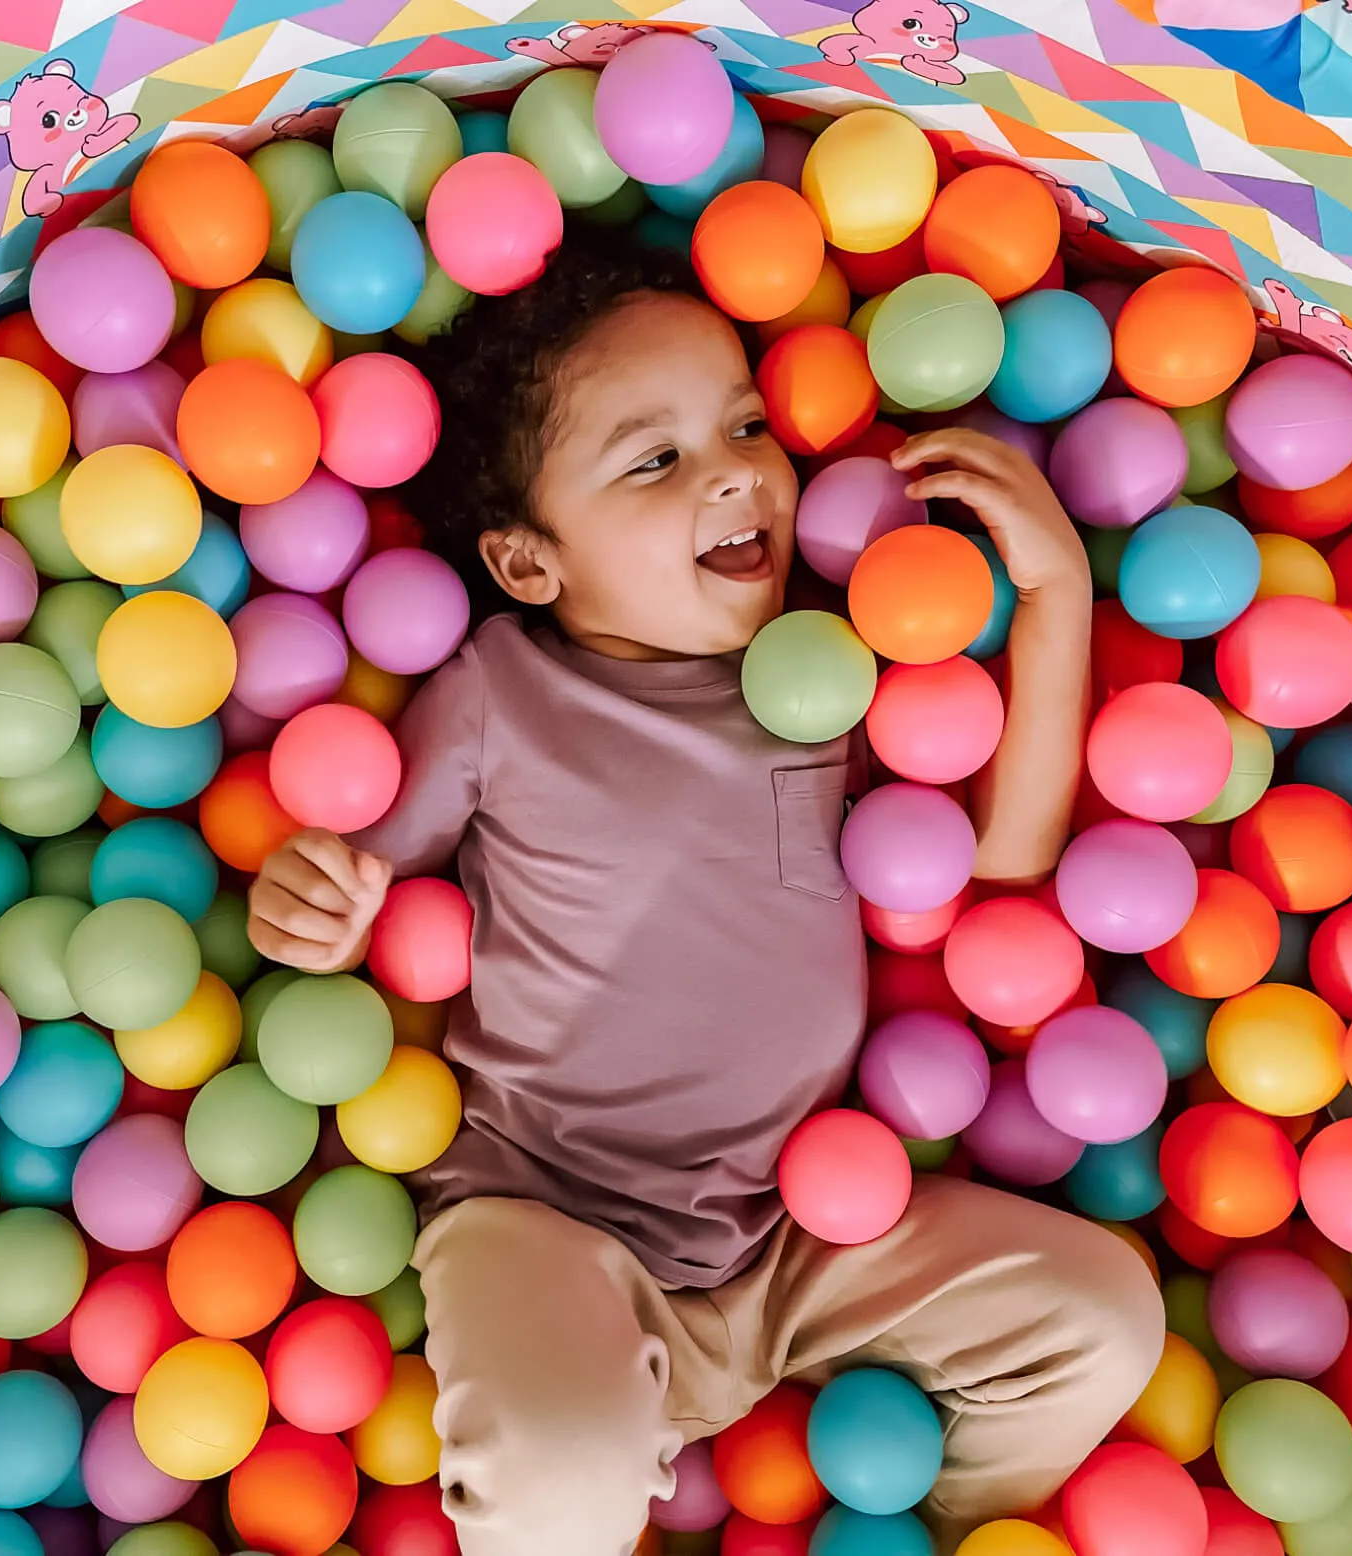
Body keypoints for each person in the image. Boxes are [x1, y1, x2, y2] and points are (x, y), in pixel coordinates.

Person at [247, 234, 1162, 1554]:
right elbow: (359, 872)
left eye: (743, 424)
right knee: (555, 1467)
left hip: (792, 1234)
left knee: (1103, 1314)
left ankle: (948, 1530)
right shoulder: (505, 690)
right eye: (656, 458)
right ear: (528, 565)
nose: (736, 469)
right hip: (542, 1212)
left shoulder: (831, 675)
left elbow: (999, 878)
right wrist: (315, 901)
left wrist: (1055, 592)